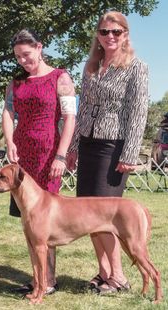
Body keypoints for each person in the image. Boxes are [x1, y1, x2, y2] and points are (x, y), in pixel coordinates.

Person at [68, 11, 148, 294]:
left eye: (116, 32)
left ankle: (119, 277)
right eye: (104, 32)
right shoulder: (91, 66)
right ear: (98, 36)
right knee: (88, 215)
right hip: (88, 145)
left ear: (125, 34)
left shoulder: (137, 67)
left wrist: (130, 154)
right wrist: (73, 148)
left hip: (114, 147)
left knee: (105, 216)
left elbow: (138, 113)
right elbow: (83, 111)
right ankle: (103, 273)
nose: (110, 37)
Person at [2, 29, 76, 295]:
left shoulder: (61, 77)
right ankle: (38, 278)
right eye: (18, 57)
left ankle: (49, 281)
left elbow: (70, 118)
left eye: (27, 55)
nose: (22, 61)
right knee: (28, 218)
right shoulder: (16, 83)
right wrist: (9, 142)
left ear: (40, 48)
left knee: (46, 220)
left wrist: (61, 154)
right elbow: (8, 113)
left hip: (49, 156)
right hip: (22, 158)